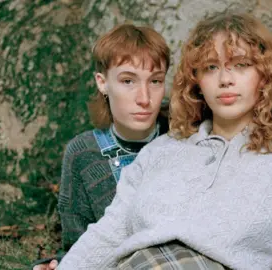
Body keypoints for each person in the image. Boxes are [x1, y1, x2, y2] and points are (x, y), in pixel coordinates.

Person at [58, 12, 272, 270]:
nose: (225, 80)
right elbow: (110, 232)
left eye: (241, 65)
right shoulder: (165, 148)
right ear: (196, 80)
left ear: (264, 75)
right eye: (211, 67)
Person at [32, 23, 171, 270]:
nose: (144, 98)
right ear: (102, 83)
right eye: (128, 81)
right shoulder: (83, 153)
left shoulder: (184, 137)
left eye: (155, 81)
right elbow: (79, 243)